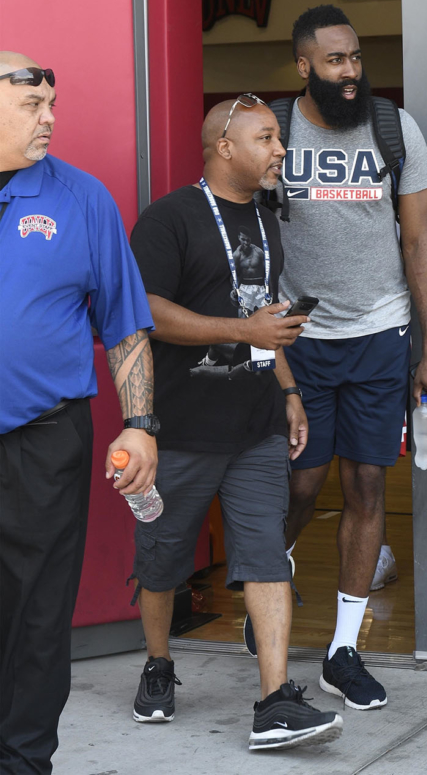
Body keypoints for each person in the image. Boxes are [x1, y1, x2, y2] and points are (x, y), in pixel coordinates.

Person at [244, 5, 427, 710]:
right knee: (301, 486)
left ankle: (343, 647)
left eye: (356, 58)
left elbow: (419, 242)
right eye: (335, 60)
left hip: (379, 331)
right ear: (304, 65)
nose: (350, 71)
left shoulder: (394, 129)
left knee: (367, 486)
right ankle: (273, 575)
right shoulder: (276, 131)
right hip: (297, 338)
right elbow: (237, 218)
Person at [129, 95, 343, 750]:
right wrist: (239, 328)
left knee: (265, 556)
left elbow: (264, 320)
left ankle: (274, 699)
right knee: (162, 561)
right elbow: (148, 312)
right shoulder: (170, 218)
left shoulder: (265, 219)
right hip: (183, 428)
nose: (281, 149)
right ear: (226, 147)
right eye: (267, 137)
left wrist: (289, 389)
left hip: (255, 426)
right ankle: (160, 662)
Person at [0, 51, 158, 775]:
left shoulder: (82, 198)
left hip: (43, 438)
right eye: (32, 106)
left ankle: (24, 761)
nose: (50, 119)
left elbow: (125, 323)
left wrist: (139, 422)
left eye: (51, 105)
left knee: (36, 610)